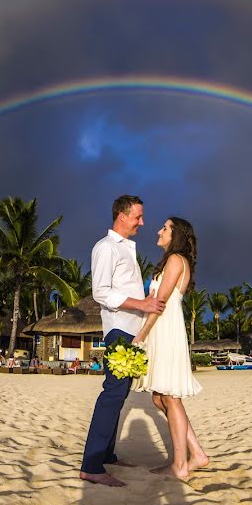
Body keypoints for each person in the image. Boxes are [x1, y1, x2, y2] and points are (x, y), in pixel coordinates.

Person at [79, 195, 166, 487]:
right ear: (122, 215)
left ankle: (106, 456)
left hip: (132, 330)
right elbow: (101, 292)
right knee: (112, 394)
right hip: (119, 329)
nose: (142, 222)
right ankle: (91, 465)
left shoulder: (127, 249)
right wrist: (142, 305)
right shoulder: (105, 248)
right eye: (138, 217)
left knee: (120, 394)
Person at [132, 217, 209, 480]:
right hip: (161, 329)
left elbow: (161, 302)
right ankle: (196, 453)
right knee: (159, 397)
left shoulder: (176, 260)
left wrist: (141, 334)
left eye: (165, 228)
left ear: (175, 234)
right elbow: (153, 300)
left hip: (164, 330)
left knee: (169, 397)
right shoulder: (172, 260)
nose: (159, 230)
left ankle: (180, 465)